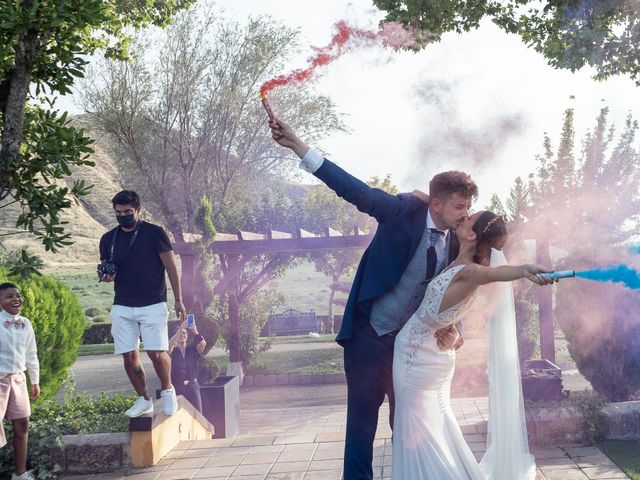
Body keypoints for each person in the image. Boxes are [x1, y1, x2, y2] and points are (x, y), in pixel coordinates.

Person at [270, 117, 476, 479]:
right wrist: (299, 146)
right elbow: (355, 190)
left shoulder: (460, 240)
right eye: (460, 207)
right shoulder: (401, 212)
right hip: (370, 337)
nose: (466, 214)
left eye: (468, 207)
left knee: (409, 428)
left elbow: (450, 291)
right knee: (362, 427)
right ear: (438, 204)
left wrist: (454, 328)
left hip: (412, 348)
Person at [391, 211, 553, 479]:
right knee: (438, 424)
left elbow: (498, 273)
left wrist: (526, 270)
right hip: (435, 355)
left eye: (468, 219)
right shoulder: (459, 265)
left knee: (416, 426)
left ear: (470, 234)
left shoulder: (470, 272)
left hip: (415, 358)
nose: (463, 217)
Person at [99, 190, 187, 417]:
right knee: (128, 354)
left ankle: (167, 390)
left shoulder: (154, 233)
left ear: (139, 210)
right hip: (123, 303)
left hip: (153, 302)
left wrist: (178, 299)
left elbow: (171, 267)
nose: (123, 216)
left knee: (156, 352)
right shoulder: (108, 239)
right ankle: (143, 399)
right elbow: (108, 269)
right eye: (119, 212)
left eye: (128, 211)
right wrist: (106, 276)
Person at [0, 282, 40, 480]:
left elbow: (31, 353)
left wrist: (35, 381)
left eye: (18, 295)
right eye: (9, 296)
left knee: (22, 425)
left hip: (18, 380)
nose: (16, 299)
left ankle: (20, 474)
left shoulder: (26, 323)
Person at [168, 322, 206, 412]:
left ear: (187, 336)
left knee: (198, 414)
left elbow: (203, 344)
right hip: (177, 387)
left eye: (184, 333)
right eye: (180, 333)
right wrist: (179, 330)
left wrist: (195, 330)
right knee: (178, 415)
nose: (182, 335)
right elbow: (168, 346)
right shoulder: (173, 351)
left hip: (192, 386)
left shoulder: (192, 349)